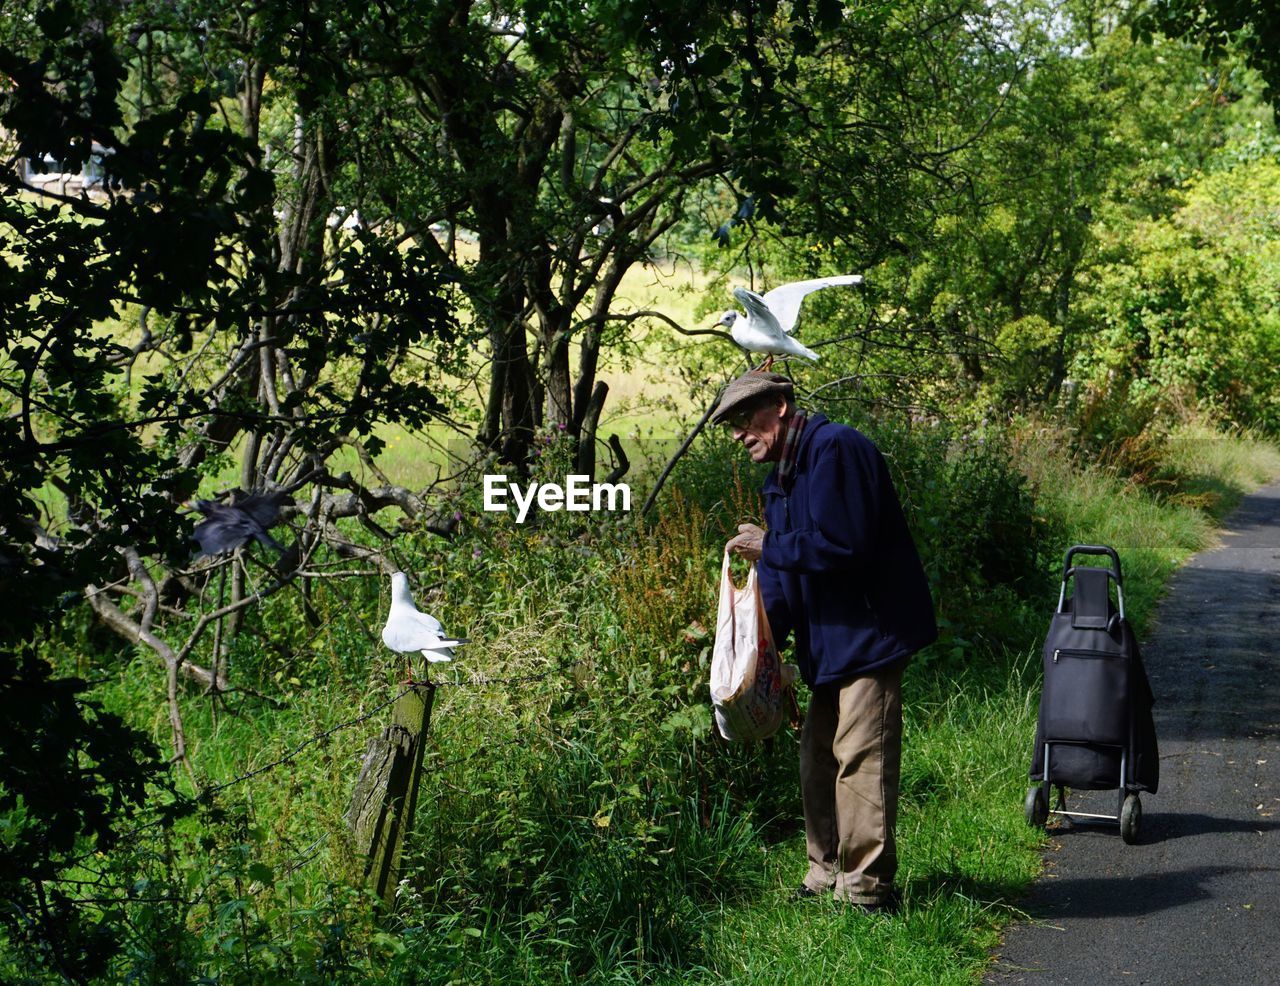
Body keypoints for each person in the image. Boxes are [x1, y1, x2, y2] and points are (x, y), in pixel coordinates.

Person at [715, 370, 937, 912]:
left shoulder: (837, 448)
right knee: (817, 757)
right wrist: (765, 654)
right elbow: (789, 579)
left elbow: (845, 546)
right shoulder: (778, 481)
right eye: (732, 427)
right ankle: (825, 876)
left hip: (869, 633)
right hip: (827, 645)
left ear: (782, 408)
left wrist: (771, 547)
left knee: (860, 759)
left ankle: (866, 892)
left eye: (748, 419)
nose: (741, 433)